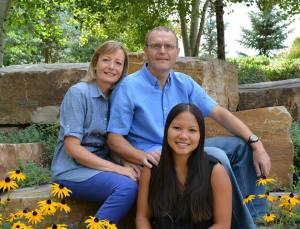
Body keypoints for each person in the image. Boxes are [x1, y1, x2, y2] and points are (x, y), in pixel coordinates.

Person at [107, 26, 271, 228]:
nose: (162, 51)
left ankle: (259, 217)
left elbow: (219, 113)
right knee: (217, 157)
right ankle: (245, 226)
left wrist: (256, 143)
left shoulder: (184, 83)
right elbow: (114, 138)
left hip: (188, 146)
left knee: (240, 147)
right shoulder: (128, 87)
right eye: (156, 45)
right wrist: (138, 156)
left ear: (177, 52)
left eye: (169, 46)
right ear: (145, 51)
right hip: (158, 156)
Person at [51, 41, 138, 224]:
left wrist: (127, 162)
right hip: (71, 171)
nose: (111, 67)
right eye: (106, 60)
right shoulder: (78, 93)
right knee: (126, 187)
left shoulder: (117, 98)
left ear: (123, 70)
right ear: (95, 63)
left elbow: (112, 144)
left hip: (99, 168)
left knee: (144, 177)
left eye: (118, 63)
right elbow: (73, 148)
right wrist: (118, 169)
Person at [136, 103, 232, 229]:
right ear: (166, 130)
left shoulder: (215, 171)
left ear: (200, 135)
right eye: (177, 128)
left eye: (192, 130)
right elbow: (142, 217)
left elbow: (223, 225)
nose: (183, 136)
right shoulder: (151, 169)